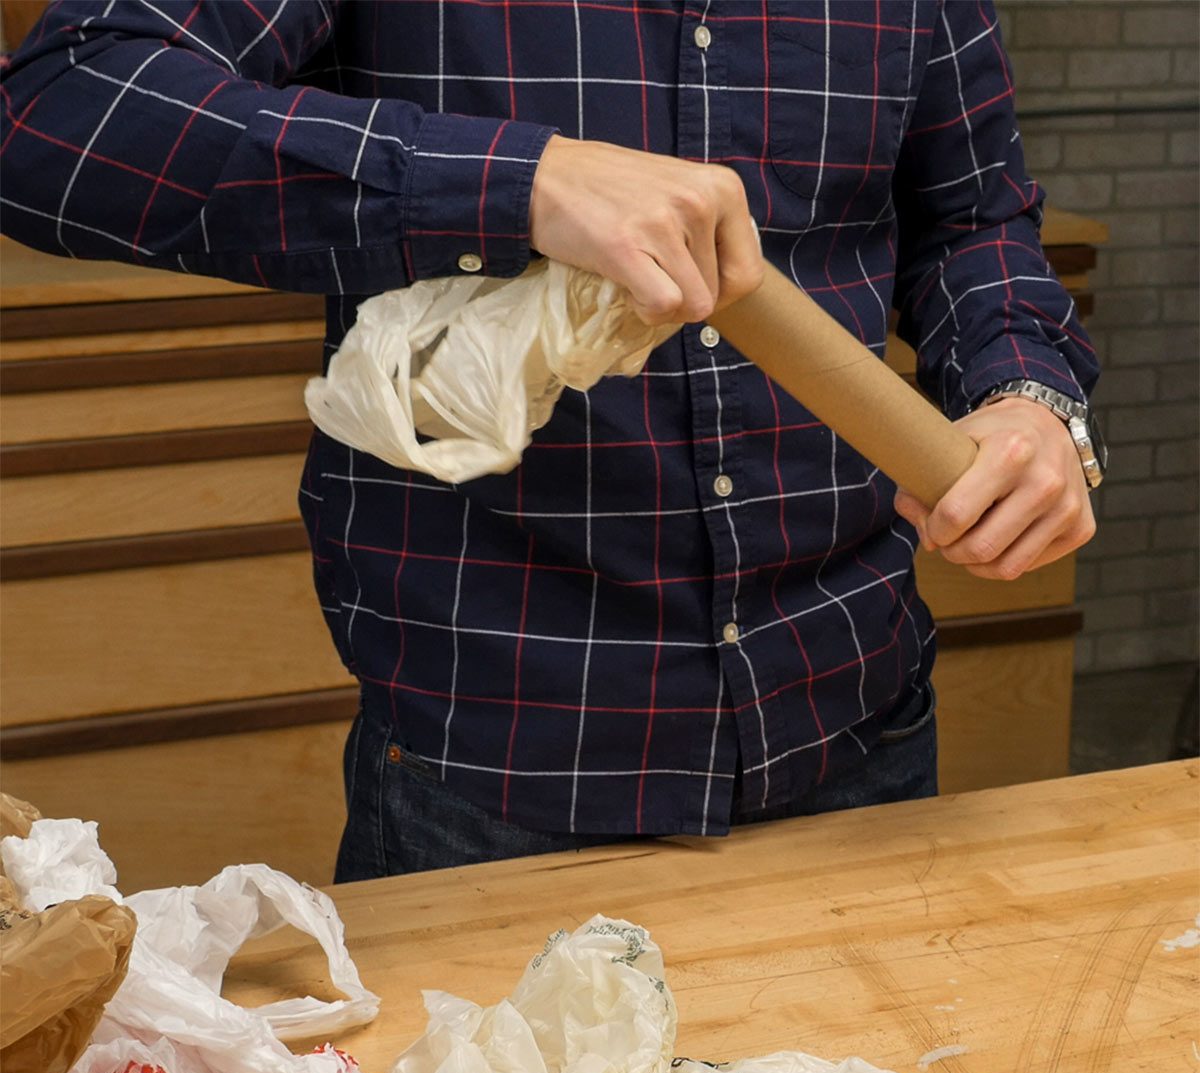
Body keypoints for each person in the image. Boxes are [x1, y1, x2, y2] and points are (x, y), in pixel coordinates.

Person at [1, 1, 1103, 881]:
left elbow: (971, 218)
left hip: (859, 720)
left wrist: (1025, 392)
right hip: (498, 767)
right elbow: (58, 110)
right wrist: (519, 180)